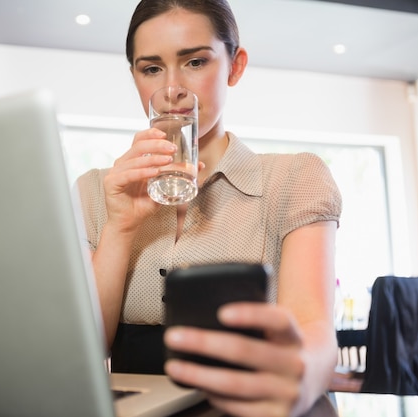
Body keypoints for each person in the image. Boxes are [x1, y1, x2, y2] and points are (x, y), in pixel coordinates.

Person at [75, 0, 342, 416]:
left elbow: (315, 331)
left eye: (195, 62)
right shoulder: (96, 190)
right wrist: (120, 228)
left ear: (235, 66)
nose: (173, 89)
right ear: (134, 78)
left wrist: (302, 376)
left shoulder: (293, 179)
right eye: (151, 69)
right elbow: (80, 353)